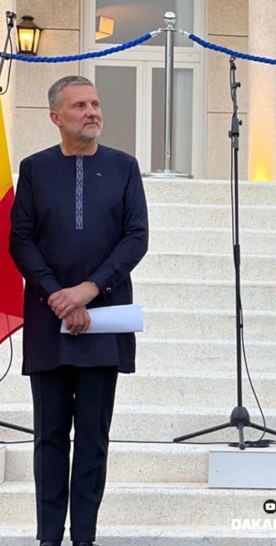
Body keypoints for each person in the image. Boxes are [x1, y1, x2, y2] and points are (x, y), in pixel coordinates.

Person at [9, 75, 149, 546]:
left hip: (103, 319)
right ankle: (49, 538)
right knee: (49, 437)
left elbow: (136, 237)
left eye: (95, 103)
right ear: (56, 117)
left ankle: (84, 538)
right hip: (50, 324)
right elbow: (20, 239)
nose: (92, 112)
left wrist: (88, 290)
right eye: (79, 106)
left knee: (92, 438)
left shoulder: (124, 167)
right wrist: (57, 295)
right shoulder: (34, 169)